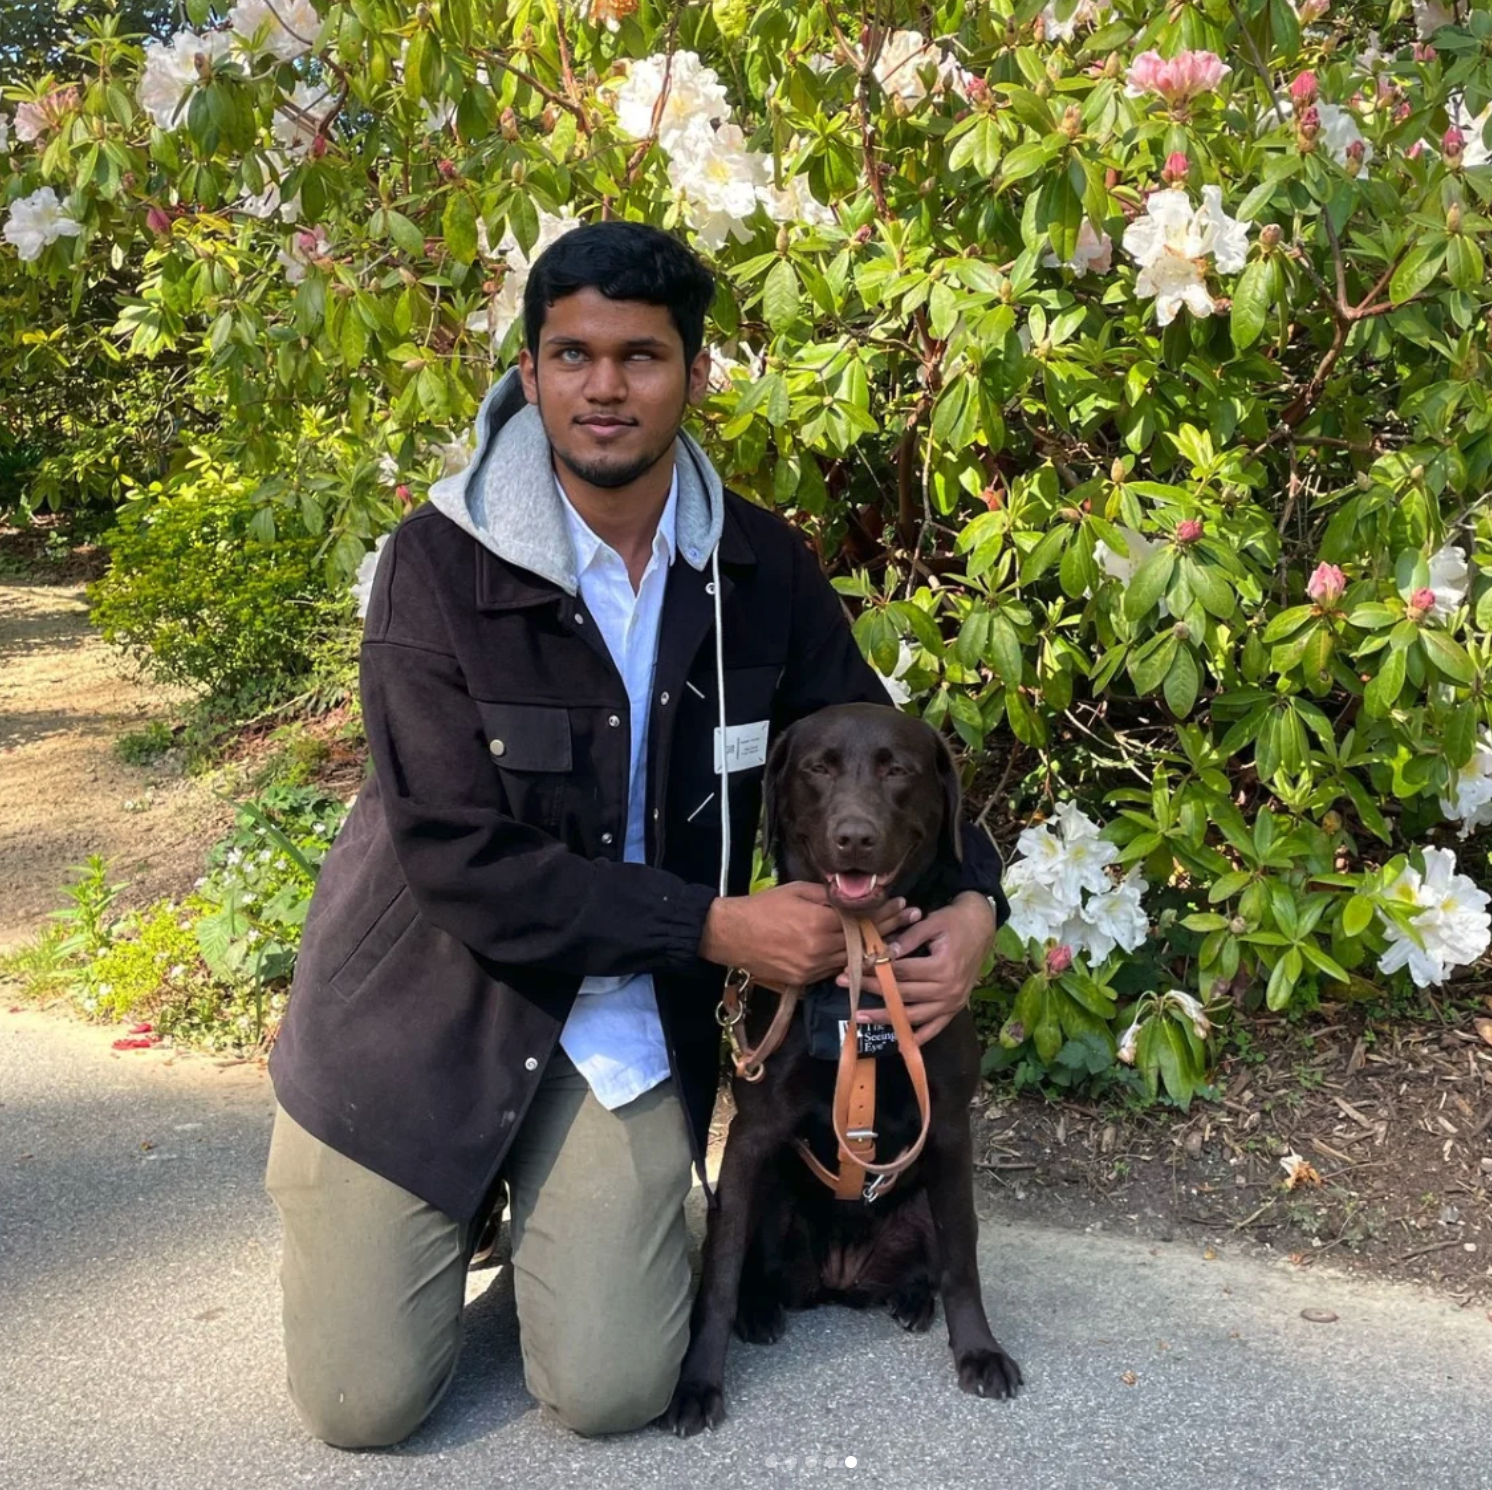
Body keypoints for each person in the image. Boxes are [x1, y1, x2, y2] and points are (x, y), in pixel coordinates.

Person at [265, 220, 1007, 1446]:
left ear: (692, 376)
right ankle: (431, 1203)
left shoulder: (761, 566)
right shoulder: (435, 565)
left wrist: (977, 900)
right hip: (425, 1029)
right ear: (528, 373)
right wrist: (715, 926)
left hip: (619, 1026)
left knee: (612, 1389)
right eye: (571, 354)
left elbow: (881, 748)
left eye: (640, 356)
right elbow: (452, 851)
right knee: (363, 1405)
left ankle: (547, 1228)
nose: (603, 387)